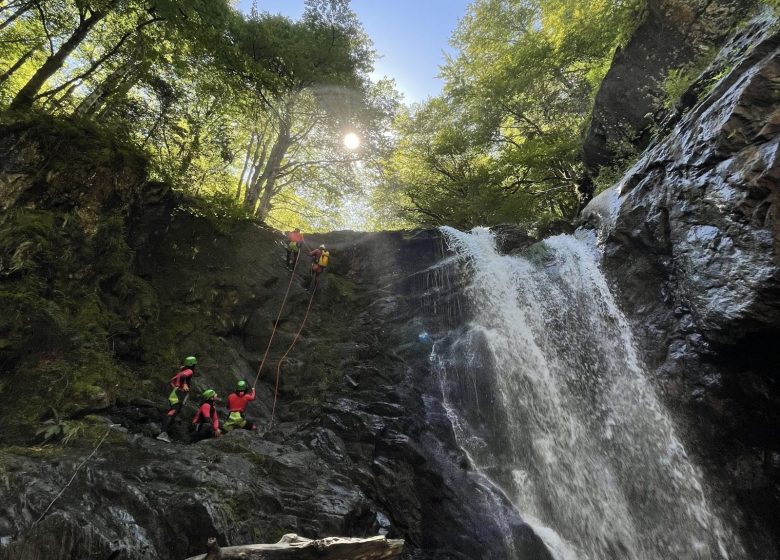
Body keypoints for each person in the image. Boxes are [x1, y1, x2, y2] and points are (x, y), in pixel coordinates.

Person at [157, 356, 197, 443]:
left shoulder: (183, 370)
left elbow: (171, 380)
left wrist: (176, 387)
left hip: (177, 393)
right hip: (179, 394)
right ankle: (162, 433)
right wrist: (184, 385)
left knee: (174, 412)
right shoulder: (189, 371)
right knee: (173, 412)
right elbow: (183, 376)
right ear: (193, 364)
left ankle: (164, 433)